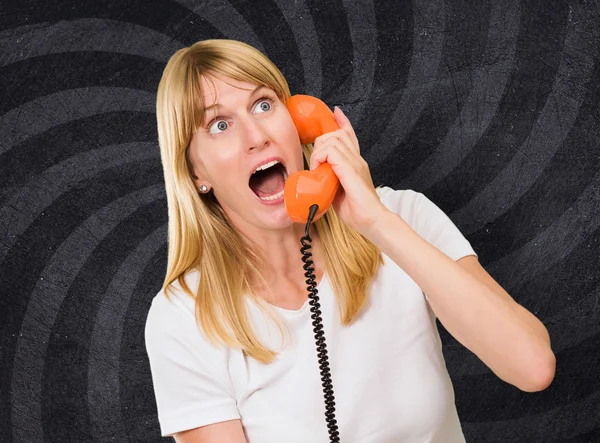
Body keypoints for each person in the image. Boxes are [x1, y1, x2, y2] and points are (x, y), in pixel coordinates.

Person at [144, 39, 555, 443]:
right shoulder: (184, 315)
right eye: (219, 125)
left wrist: (376, 222)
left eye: (264, 105)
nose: (256, 136)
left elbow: (532, 366)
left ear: (300, 121)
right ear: (195, 172)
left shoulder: (402, 217)